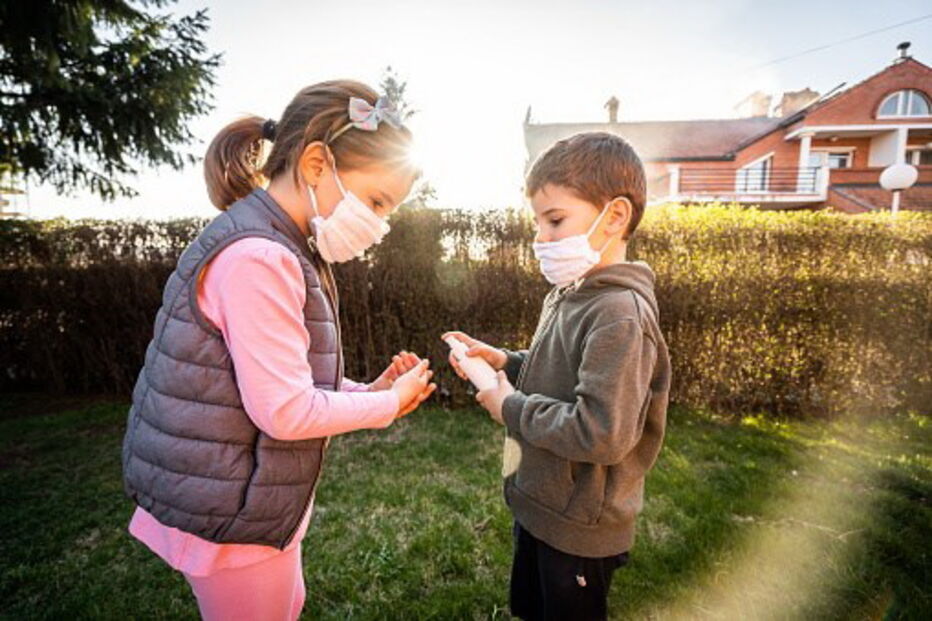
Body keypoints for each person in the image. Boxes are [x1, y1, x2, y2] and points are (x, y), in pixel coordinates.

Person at [121, 80, 435, 620]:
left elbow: (275, 377)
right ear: (317, 163)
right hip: (232, 512)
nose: (380, 225)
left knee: (286, 605)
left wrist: (369, 391)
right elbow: (285, 410)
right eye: (378, 201)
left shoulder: (281, 243)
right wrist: (383, 408)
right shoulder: (260, 258)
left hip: (239, 497)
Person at [445, 132, 671, 620]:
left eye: (555, 220)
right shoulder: (571, 292)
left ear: (614, 217)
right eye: (538, 222)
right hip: (542, 506)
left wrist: (509, 406)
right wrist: (506, 361)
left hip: (579, 529)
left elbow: (602, 432)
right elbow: (559, 370)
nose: (540, 237)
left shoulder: (619, 314)